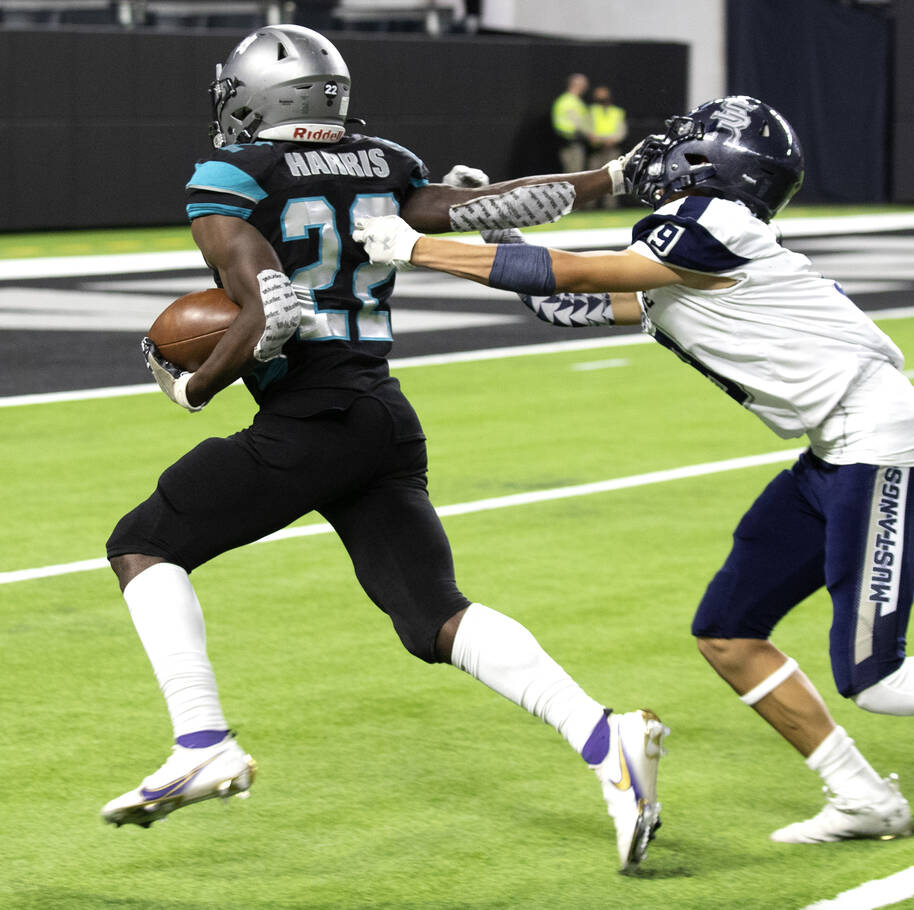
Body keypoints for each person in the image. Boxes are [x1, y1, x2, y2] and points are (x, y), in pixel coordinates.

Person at [354, 95, 914, 843]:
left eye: (683, 147)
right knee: (729, 633)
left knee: (877, 677)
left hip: (879, 440)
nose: (663, 159)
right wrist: (470, 247)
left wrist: (421, 245)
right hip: (833, 448)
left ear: (713, 164)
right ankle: (863, 794)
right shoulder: (684, 247)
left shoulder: (709, 225)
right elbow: (571, 300)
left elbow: (582, 275)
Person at [101, 24, 668, 873]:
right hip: (380, 415)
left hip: (312, 417)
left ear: (257, 95)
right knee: (433, 615)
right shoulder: (384, 161)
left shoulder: (230, 176)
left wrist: (191, 385)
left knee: (143, 543)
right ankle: (605, 738)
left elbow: (266, 313)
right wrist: (608, 176)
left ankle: (203, 742)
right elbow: (493, 205)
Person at [586, 86, 628, 209]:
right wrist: (599, 139)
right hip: (596, 149)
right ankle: (590, 206)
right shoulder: (591, 111)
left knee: (613, 178)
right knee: (592, 178)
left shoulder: (617, 112)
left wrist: (612, 140)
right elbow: (587, 129)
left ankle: (610, 206)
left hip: (612, 149)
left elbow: (622, 131)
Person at [552, 73, 591, 174]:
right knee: (573, 173)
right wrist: (590, 134)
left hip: (569, 142)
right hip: (571, 142)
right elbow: (577, 123)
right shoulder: (570, 102)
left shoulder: (567, 100)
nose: (586, 88)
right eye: (584, 85)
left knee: (572, 172)